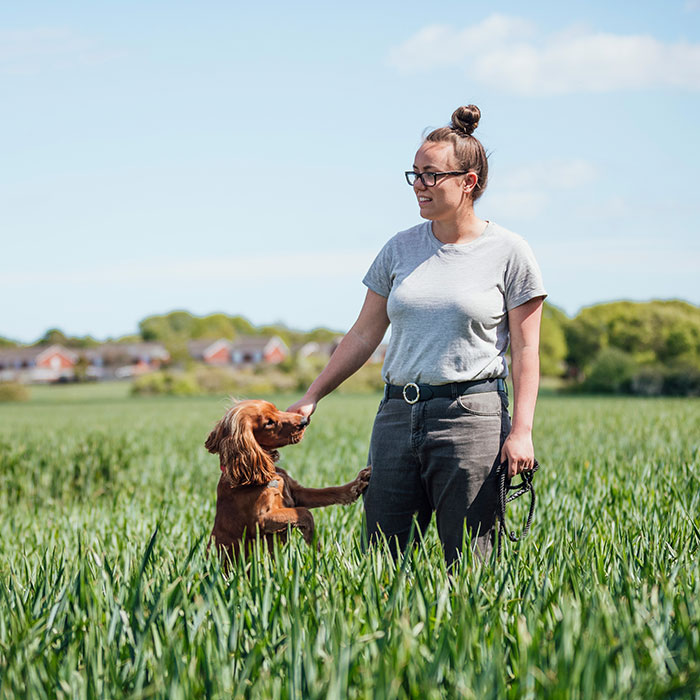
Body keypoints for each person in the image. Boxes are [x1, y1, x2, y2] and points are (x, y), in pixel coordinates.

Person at [288, 105, 546, 566]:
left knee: (471, 563)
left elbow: (527, 351)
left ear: (468, 182)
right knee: (381, 563)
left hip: (471, 417)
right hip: (395, 416)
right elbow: (364, 334)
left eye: (431, 175)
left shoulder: (510, 252)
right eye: (416, 175)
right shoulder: (399, 247)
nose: (420, 185)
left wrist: (522, 432)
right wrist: (312, 396)